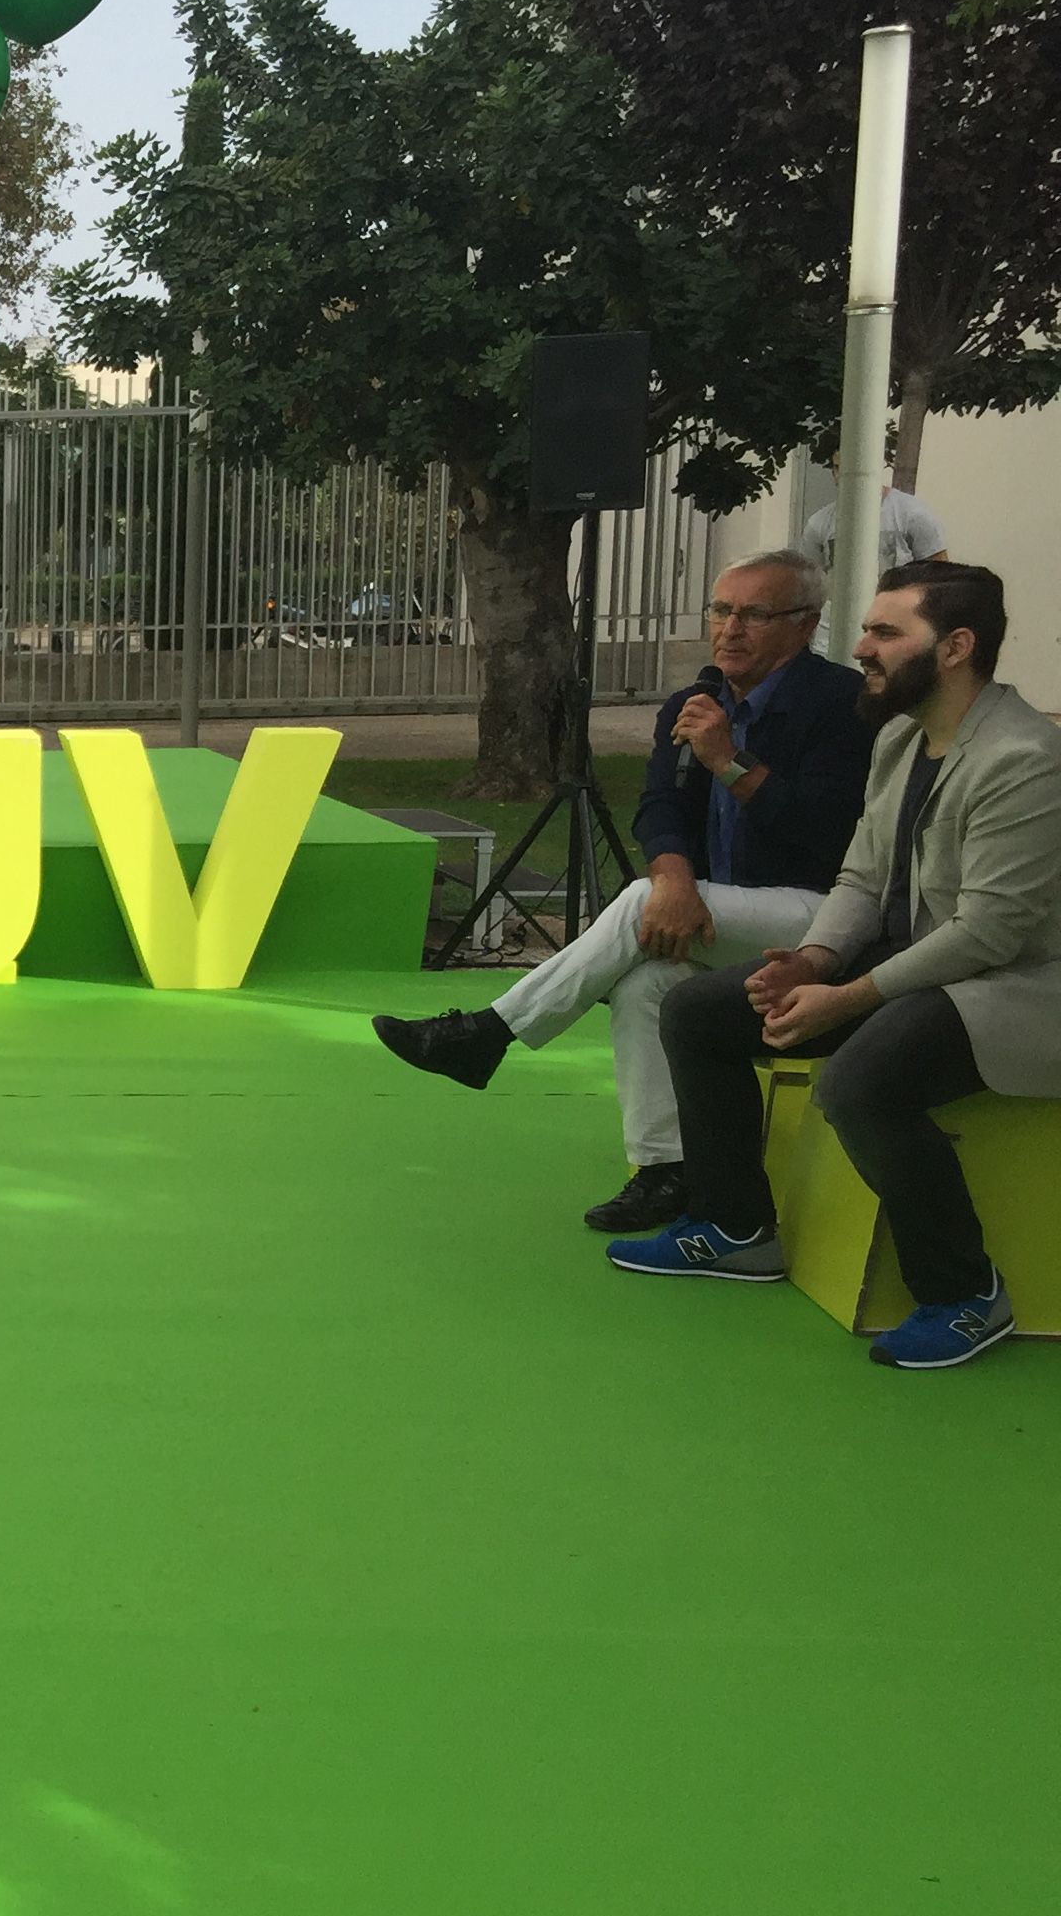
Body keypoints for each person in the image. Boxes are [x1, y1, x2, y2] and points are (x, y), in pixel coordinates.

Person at [613, 566, 1061, 1370]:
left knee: (860, 1082)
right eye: (867, 630)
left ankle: (964, 1294)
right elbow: (860, 878)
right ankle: (735, 1227)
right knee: (698, 1011)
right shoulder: (900, 738)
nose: (861, 648)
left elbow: (989, 934)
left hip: (1017, 988)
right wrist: (811, 960)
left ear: (956, 647)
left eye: (886, 633)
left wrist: (843, 995)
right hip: (923, 962)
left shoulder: (1025, 756)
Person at [371, 549, 874, 1228]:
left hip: (825, 920)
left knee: (638, 903)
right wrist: (675, 879)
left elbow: (826, 830)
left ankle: (488, 1032)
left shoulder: (842, 706)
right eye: (721, 610)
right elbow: (660, 808)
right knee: (646, 982)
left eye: (755, 614)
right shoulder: (693, 704)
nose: (730, 629)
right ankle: (666, 1171)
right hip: (725, 914)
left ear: (805, 623)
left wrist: (729, 762)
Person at [799, 434, 949, 573]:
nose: (844, 475)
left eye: (853, 467)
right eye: (838, 467)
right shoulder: (818, 524)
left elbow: (939, 577)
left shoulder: (914, 515)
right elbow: (811, 582)